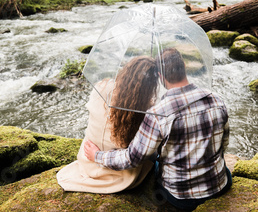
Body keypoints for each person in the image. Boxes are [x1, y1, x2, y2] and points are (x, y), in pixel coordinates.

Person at [84, 47, 231, 210]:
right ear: (184, 68)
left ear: (160, 77)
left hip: (179, 196)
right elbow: (223, 144)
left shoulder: (158, 113)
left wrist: (97, 155)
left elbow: (132, 158)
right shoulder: (217, 100)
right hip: (219, 186)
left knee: (151, 156)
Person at [57, 56, 159, 193]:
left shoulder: (101, 86)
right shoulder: (147, 110)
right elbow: (136, 155)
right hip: (120, 176)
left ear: (126, 71)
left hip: (87, 161)